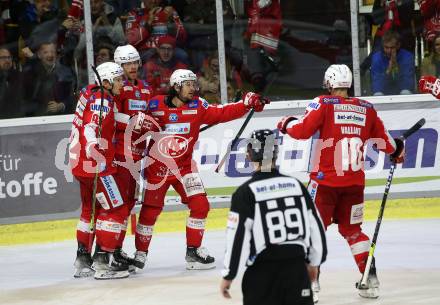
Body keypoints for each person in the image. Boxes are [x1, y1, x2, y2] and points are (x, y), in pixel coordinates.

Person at [277, 64, 405, 300]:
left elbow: (302, 130)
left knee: (311, 232)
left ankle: (310, 286)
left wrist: (286, 124)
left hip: (324, 184)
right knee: (353, 231)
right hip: (354, 185)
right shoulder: (367, 108)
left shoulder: (324, 103)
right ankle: (370, 280)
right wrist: (397, 148)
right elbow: (386, 143)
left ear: (329, 83)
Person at [133, 69, 269, 270]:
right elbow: (135, 127)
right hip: (157, 169)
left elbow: (222, 112)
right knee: (150, 211)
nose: (193, 88)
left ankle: (193, 251)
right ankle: (140, 253)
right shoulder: (154, 104)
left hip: (185, 168)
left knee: (201, 205)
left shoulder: (198, 105)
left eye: (194, 84)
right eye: (188, 84)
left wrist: (246, 104)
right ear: (176, 86)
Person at [69, 62, 157, 279]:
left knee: (90, 210)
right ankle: (102, 263)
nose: (122, 83)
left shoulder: (91, 92)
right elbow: (91, 126)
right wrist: (92, 146)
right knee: (116, 208)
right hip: (96, 166)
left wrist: (136, 121)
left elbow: (107, 116)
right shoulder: (102, 102)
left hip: (79, 165)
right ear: (106, 82)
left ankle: (82, 260)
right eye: (118, 80)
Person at [220, 129, 327, 305]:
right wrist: (314, 263)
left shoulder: (244, 193)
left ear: (249, 156)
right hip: (296, 269)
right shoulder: (297, 186)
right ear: (276, 153)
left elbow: (235, 237)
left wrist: (229, 274)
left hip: (262, 273)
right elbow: (317, 227)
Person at [112, 44, 153, 263]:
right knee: (119, 204)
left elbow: (151, 116)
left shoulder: (146, 88)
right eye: (127, 63)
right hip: (121, 153)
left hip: (138, 154)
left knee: (129, 203)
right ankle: (110, 249)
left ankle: (116, 249)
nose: (133, 66)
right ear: (119, 65)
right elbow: (112, 114)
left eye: (135, 62)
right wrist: (133, 122)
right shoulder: (118, 88)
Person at [370, 30, 415, 95]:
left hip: (402, 93)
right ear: (383, 46)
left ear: (398, 45)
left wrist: (396, 66)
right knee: (377, 94)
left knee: (405, 92)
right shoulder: (376, 58)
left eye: (392, 47)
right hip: (384, 93)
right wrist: (388, 70)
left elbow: (408, 85)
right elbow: (376, 87)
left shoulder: (407, 57)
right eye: (386, 47)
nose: (389, 51)